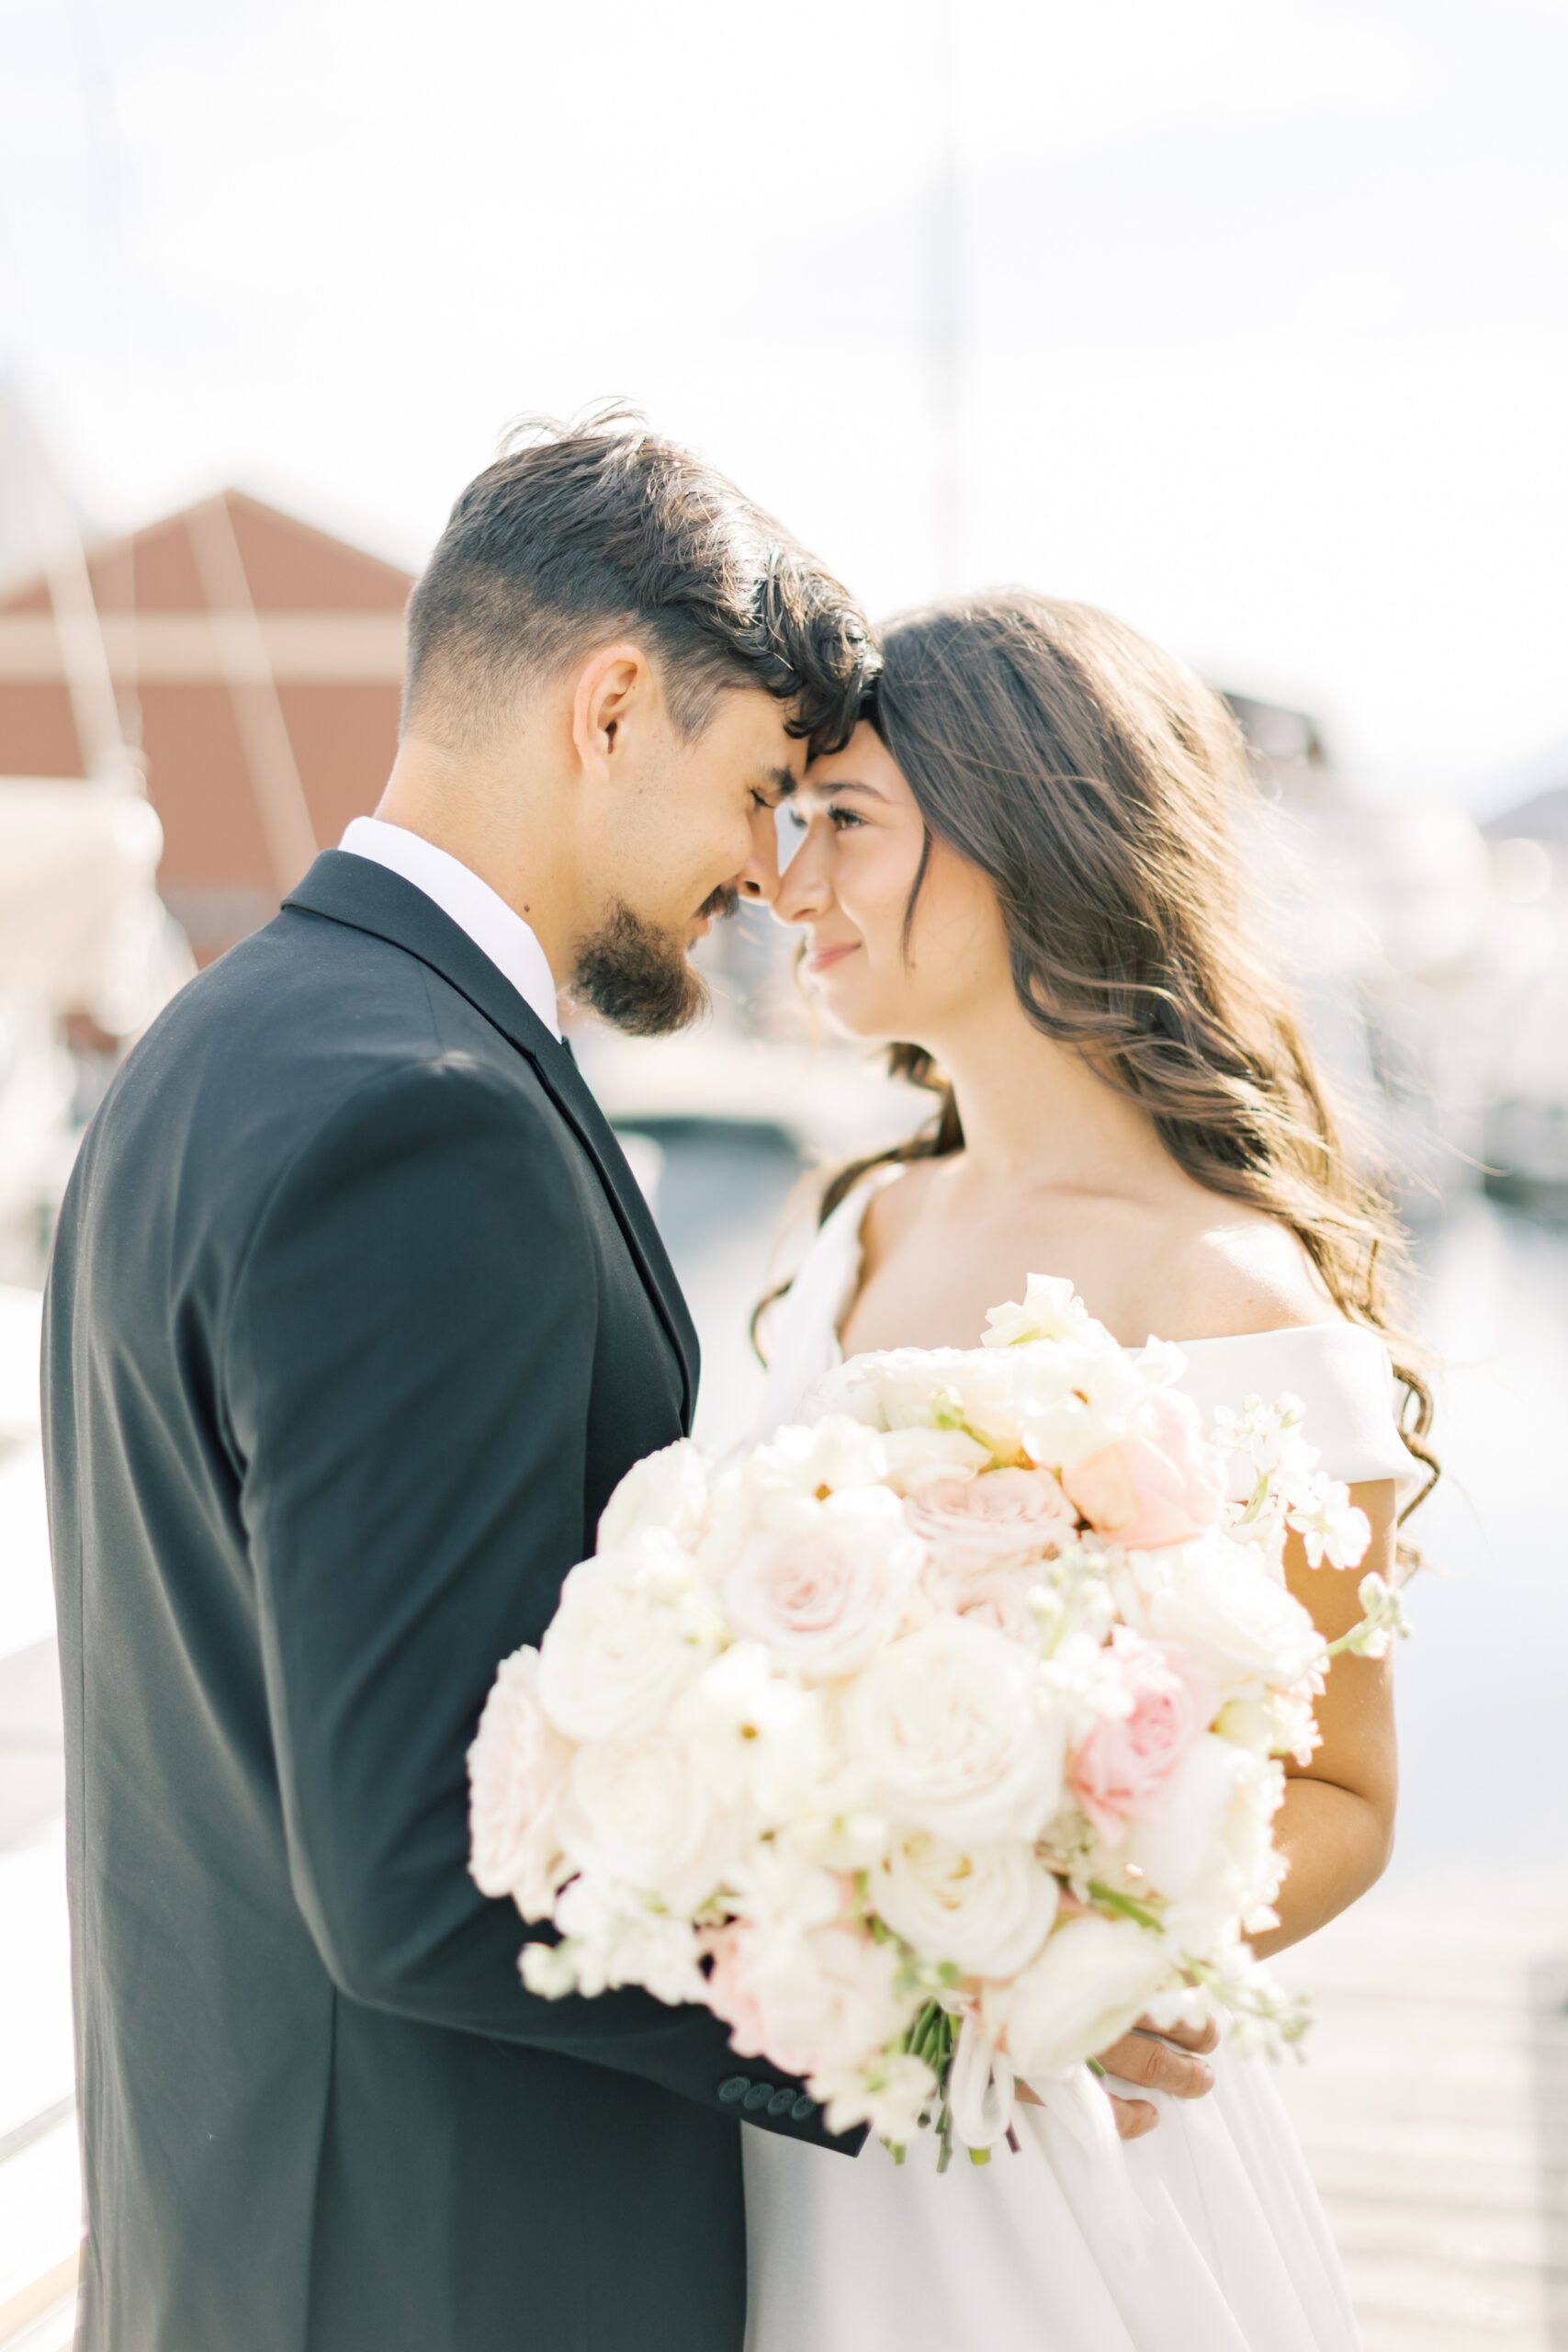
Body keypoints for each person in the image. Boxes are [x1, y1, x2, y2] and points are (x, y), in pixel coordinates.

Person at [41, 411, 885, 2352]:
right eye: (759, 785)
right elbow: (428, 1869)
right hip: (446, 2265)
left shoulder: (210, 1043)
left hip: (234, 2220)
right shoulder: (429, 1123)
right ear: (609, 706)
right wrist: (895, 2002)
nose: (763, 871)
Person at [748, 589, 1435, 2352]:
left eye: (846, 822)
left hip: (1058, 2148)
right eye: (786, 819)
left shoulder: (1229, 1293)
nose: (786, 877)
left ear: (1021, 835)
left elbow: (1343, 1796)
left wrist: (1039, 1974)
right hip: (788, 2105)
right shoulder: (858, 1225)